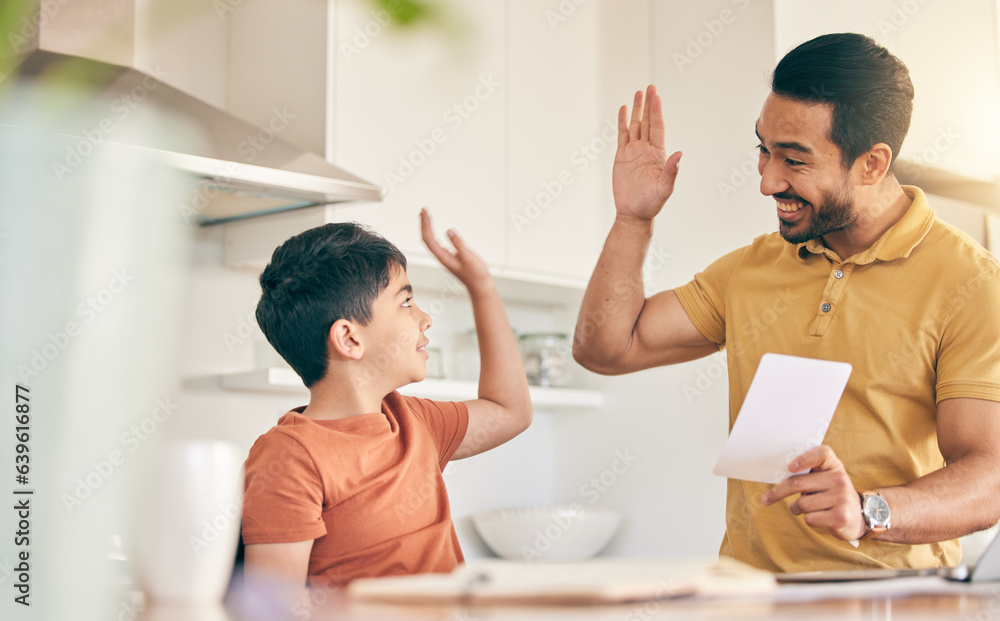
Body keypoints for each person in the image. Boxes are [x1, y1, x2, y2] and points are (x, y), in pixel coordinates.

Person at [572, 33, 1000, 572]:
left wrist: (870, 510)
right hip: (747, 595)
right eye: (764, 150)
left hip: (892, 601)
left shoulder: (971, 283)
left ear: (872, 164)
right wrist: (633, 219)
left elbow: (989, 476)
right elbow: (607, 350)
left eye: (794, 161)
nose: (768, 181)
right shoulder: (751, 268)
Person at [241, 209, 532, 588]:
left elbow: (510, 411)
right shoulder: (290, 457)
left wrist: (482, 289)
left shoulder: (413, 420)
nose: (425, 318)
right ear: (349, 339)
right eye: (406, 302)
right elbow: (272, 611)